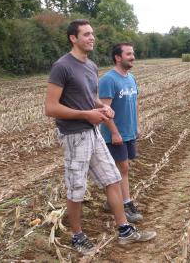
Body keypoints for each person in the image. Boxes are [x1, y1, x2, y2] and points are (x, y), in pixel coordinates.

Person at [44, 19, 156, 255]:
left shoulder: (91, 66)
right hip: (74, 135)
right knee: (76, 188)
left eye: (92, 34)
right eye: (86, 34)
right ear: (73, 38)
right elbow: (51, 108)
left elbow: (89, 98)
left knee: (113, 178)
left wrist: (101, 108)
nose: (91, 38)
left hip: (93, 132)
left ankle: (125, 230)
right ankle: (77, 236)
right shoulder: (62, 66)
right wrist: (87, 114)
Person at [99, 43, 142, 222]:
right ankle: (126, 204)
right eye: (129, 54)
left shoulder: (131, 78)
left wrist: (136, 127)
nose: (133, 57)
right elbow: (104, 110)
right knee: (123, 168)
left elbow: (134, 104)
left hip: (129, 132)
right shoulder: (109, 79)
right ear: (118, 57)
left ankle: (112, 201)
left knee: (120, 169)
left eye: (133, 53)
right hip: (115, 135)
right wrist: (114, 133)